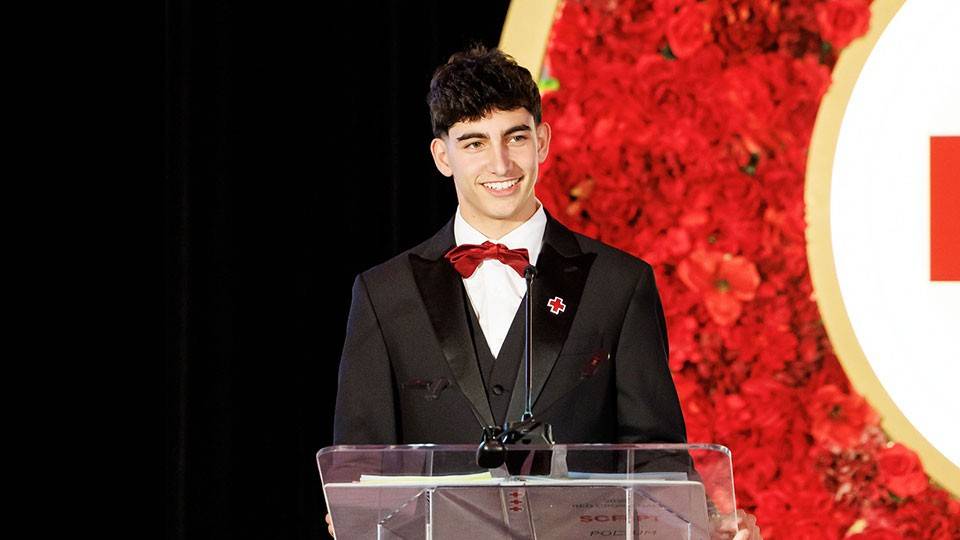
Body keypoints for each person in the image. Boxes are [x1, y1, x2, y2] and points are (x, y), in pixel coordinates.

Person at [328, 45, 761, 539]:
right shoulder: (385, 294)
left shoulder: (619, 283)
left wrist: (702, 521)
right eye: (474, 143)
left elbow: (656, 458)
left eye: (515, 137)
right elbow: (360, 472)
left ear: (542, 141)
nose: (500, 163)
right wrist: (355, 512)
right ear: (442, 156)